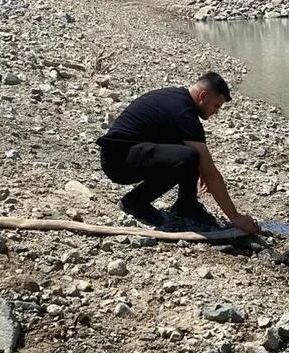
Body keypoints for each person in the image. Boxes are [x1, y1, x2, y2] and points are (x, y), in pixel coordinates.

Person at [96, 72, 261, 235]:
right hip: (119, 161)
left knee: (193, 154)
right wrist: (235, 217)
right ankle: (134, 202)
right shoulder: (184, 114)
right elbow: (210, 173)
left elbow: (203, 159)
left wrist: (202, 168)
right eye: (216, 106)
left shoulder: (177, 98)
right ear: (203, 96)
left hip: (125, 154)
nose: (216, 112)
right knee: (188, 157)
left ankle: (186, 205)